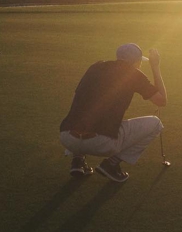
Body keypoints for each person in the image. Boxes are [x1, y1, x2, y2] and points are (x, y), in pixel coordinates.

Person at [60, 43, 167, 182]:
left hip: (67, 138)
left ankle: (77, 160)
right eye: (140, 62)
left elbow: (76, 99)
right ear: (136, 62)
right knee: (155, 123)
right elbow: (161, 101)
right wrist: (155, 67)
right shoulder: (134, 74)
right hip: (101, 143)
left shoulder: (95, 67)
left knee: (82, 112)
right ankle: (111, 164)